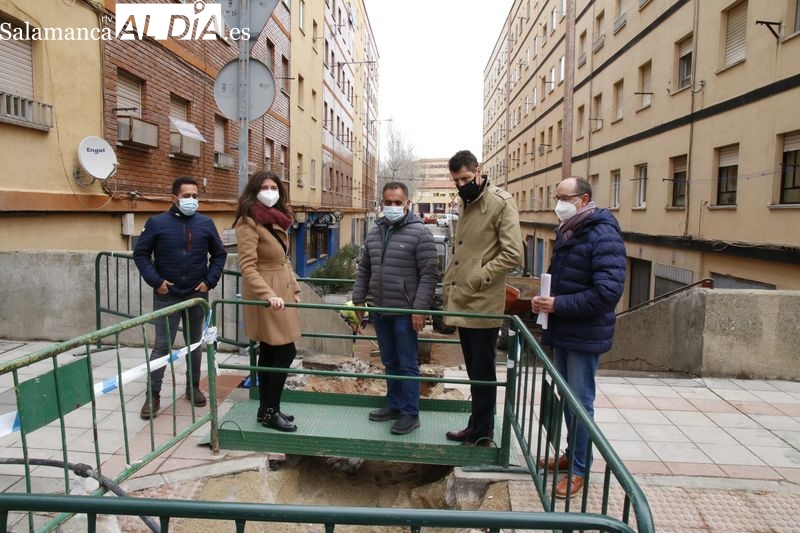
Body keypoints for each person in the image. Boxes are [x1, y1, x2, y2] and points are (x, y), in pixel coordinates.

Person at [532, 176, 626, 499]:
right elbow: (566, 280)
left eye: (564, 197)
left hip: (584, 334)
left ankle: (579, 470)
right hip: (563, 331)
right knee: (568, 400)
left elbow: (607, 293)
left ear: (583, 200)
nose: (558, 204)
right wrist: (545, 299)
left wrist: (557, 304)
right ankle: (572, 455)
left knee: (581, 402)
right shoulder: (569, 231)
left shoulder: (602, 234)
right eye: (556, 197)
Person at [442, 150, 523, 446]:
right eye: (456, 180)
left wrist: (479, 276)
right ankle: (476, 426)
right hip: (463, 297)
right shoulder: (467, 201)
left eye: (465, 178)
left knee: (484, 370)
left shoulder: (500, 202)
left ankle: (483, 432)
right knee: (474, 370)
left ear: (479, 170)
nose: (462, 184)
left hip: (483, 300)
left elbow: (514, 253)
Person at [133, 176, 228, 419]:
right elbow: (141, 254)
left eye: (195, 196)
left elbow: (219, 255)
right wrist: (157, 282)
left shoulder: (206, 223)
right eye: (187, 196)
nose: (192, 200)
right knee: (162, 346)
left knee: (194, 344)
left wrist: (209, 282)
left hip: (197, 296)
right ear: (174, 198)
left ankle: (193, 387)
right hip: (167, 296)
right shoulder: (157, 223)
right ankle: (153, 394)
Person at [352, 182, 438, 435]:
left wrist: (419, 309)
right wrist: (359, 299)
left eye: (397, 202)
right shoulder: (375, 231)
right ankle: (394, 404)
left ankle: (410, 414)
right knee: (389, 361)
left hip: (405, 312)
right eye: (387, 202)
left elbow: (429, 275)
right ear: (381, 203)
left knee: (407, 363)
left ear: (407, 203)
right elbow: (364, 268)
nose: (391, 207)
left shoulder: (420, 233)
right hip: (379, 309)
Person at [234, 171, 302, 432]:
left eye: (274, 187)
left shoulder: (277, 221)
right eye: (265, 187)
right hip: (268, 297)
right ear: (255, 191)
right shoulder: (248, 223)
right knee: (284, 352)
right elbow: (248, 267)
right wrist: (268, 295)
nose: (270, 191)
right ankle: (269, 411)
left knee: (273, 352)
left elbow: (284, 261)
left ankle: (268, 409)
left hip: (282, 293)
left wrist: (294, 289)